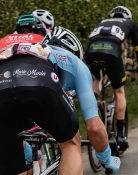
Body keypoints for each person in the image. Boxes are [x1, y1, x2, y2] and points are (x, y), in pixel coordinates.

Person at [0, 15, 81, 174]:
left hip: (3, 90)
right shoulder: (46, 41)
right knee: (71, 142)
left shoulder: (4, 42)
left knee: (12, 163)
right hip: (41, 85)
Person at [44, 26, 120, 173]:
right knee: (71, 143)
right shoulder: (76, 64)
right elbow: (94, 127)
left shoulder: (36, 53)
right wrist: (107, 159)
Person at [85, 5, 138, 151]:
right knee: (119, 91)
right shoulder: (129, 24)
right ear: (128, 17)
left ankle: (92, 107)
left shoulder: (102, 22)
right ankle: (120, 135)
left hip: (92, 52)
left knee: (97, 80)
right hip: (112, 52)